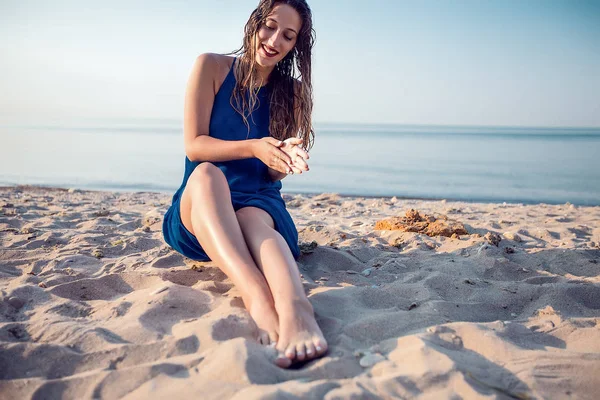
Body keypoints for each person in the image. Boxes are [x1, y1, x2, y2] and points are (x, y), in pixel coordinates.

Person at [162, 0, 327, 368]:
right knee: (206, 173)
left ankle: (297, 309)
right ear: (255, 22)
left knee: (253, 220)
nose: (274, 40)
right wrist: (254, 146)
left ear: (295, 46)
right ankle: (256, 296)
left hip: (258, 202)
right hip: (202, 210)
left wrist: (283, 159)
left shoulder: (293, 92)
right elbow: (195, 145)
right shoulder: (212, 66)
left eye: (288, 36)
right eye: (269, 26)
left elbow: (269, 175)